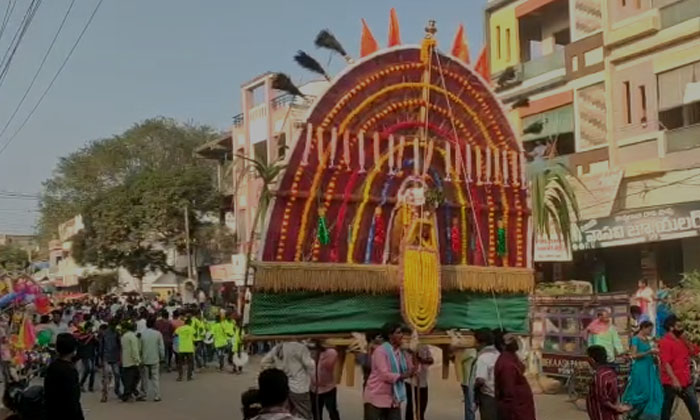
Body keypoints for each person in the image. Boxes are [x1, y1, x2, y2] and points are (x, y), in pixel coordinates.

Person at [363, 323, 415, 420]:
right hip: (377, 398)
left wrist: (411, 352)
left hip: (394, 398)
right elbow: (385, 375)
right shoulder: (380, 351)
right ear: (390, 335)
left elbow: (411, 370)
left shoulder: (401, 352)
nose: (402, 335)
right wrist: (402, 376)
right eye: (398, 333)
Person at [659, 315, 700, 420]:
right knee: (668, 406)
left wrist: (686, 341)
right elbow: (666, 362)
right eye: (678, 326)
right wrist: (674, 379)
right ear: (671, 327)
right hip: (671, 381)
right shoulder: (665, 342)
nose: (681, 328)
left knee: (694, 405)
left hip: (685, 379)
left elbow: (694, 352)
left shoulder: (681, 340)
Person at [262, 341, 315, 419]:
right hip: (300, 387)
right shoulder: (300, 347)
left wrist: (276, 369)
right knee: (305, 413)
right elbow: (310, 365)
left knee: (288, 413)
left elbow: (264, 362)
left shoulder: (277, 348)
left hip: (285, 385)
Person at [622, 320, 663, 420]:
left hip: (649, 367)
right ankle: (632, 413)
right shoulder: (635, 339)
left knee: (652, 391)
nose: (650, 332)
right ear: (643, 328)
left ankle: (640, 414)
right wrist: (649, 351)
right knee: (642, 392)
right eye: (649, 329)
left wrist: (654, 355)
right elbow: (634, 355)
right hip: (640, 368)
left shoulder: (647, 339)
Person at [494, 333, 535, 420]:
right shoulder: (506, 364)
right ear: (502, 345)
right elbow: (508, 392)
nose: (514, 343)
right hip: (516, 410)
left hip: (522, 406)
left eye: (514, 340)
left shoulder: (513, 357)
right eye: (510, 341)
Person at [44, 333, 84, 420]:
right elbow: (73, 400)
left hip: (52, 413)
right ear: (74, 350)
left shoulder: (52, 367)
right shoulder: (70, 371)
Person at [587, 345, 631, 420]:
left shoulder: (599, 375)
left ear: (592, 360)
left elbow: (602, 398)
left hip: (601, 414)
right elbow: (617, 391)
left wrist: (616, 408)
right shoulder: (610, 372)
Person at [471, 328, 499, 420]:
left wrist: (473, 391)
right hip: (500, 395)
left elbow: (480, 380)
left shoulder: (483, 358)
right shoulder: (498, 354)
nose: (474, 345)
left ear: (482, 343)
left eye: (475, 342)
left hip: (488, 397)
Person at [310, 342, 340, 420]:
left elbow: (328, 365)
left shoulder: (330, 352)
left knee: (332, 412)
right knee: (316, 413)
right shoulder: (307, 351)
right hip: (314, 389)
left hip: (328, 389)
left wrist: (322, 351)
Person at [140, 316, 165, 402]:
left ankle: (144, 395)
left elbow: (140, 347)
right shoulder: (158, 334)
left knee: (145, 378)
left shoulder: (142, 334)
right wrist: (162, 357)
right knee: (155, 377)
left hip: (145, 358)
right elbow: (161, 347)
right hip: (155, 358)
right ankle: (157, 395)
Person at [406, 344, 433, 420]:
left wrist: (421, 359)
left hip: (423, 380)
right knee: (411, 406)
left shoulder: (424, 345)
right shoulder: (407, 347)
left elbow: (431, 360)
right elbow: (413, 363)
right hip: (411, 381)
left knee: (422, 405)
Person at [98, 320, 122, 402]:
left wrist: (120, 356)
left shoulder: (117, 333)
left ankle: (117, 389)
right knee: (106, 377)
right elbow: (101, 347)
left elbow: (119, 345)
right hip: (106, 356)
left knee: (117, 374)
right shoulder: (104, 334)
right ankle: (104, 395)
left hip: (114, 356)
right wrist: (100, 358)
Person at [120, 320, 143, 402]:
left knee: (129, 378)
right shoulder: (132, 337)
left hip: (126, 359)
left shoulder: (124, 336)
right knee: (133, 378)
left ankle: (133, 393)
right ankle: (128, 394)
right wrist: (138, 360)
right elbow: (134, 349)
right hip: (132, 361)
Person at [75, 321, 98, 392]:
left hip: (92, 354)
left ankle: (90, 386)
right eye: (89, 327)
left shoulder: (93, 336)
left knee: (93, 370)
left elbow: (97, 344)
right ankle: (81, 383)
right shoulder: (81, 335)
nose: (90, 328)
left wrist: (95, 338)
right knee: (87, 369)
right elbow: (80, 344)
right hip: (84, 354)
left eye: (91, 327)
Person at [175, 317, 196, 381]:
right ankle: (189, 377)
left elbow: (175, 334)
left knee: (180, 363)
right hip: (189, 348)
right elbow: (194, 336)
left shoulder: (180, 328)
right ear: (190, 323)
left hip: (181, 348)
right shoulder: (191, 329)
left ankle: (180, 376)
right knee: (190, 363)